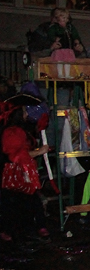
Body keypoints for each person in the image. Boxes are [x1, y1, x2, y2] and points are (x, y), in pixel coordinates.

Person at [0, 104, 50, 246]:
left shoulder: (18, 130)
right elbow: (16, 155)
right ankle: (15, 231)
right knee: (19, 201)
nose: (26, 115)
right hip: (16, 172)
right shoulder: (13, 132)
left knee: (26, 200)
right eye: (23, 112)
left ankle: (27, 229)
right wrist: (39, 152)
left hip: (19, 171)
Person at [47, 8, 85, 77]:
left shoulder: (70, 27)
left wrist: (76, 40)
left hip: (68, 48)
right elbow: (50, 34)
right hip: (59, 48)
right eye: (62, 18)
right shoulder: (55, 27)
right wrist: (54, 39)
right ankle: (60, 74)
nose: (64, 20)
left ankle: (67, 74)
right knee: (60, 62)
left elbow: (75, 34)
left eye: (66, 18)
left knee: (68, 62)